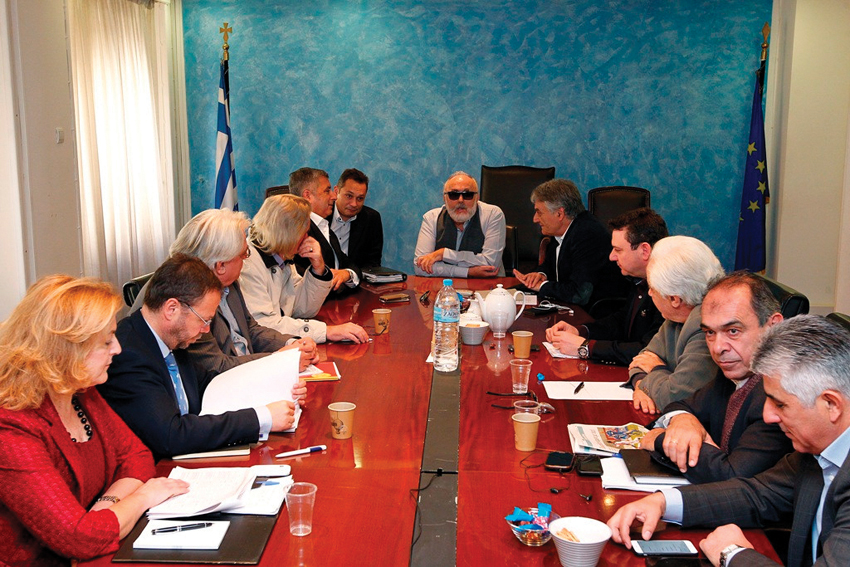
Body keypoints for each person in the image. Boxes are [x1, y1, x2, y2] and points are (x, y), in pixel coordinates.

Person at [607, 315, 850, 567]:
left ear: (831, 404)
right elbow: (757, 494)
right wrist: (662, 502)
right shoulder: (816, 452)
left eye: (780, 405)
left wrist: (731, 554)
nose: (768, 415)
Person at [0, 276, 188, 565]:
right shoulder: (12, 426)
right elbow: (78, 538)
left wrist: (105, 508)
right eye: (106, 341)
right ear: (66, 349)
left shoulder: (79, 391)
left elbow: (137, 456)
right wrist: (143, 497)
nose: (118, 349)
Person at [99, 254, 306, 460]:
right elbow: (171, 434)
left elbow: (212, 382)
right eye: (204, 320)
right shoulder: (128, 354)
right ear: (172, 309)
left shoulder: (172, 337)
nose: (206, 330)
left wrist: (279, 389)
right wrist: (261, 418)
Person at [639, 272, 793, 483]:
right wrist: (683, 420)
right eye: (710, 333)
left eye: (733, 331)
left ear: (773, 326)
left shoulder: (781, 394)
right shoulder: (736, 370)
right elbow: (682, 405)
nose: (718, 348)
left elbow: (731, 476)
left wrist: (660, 439)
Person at [164, 208, 319, 375]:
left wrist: (291, 344)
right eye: (244, 254)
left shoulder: (230, 283)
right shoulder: (189, 300)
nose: (246, 261)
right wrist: (278, 360)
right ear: (220, 266)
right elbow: (216, 367)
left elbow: (251, 329)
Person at [239, 194, 369, 344]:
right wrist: (327, 331)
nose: (307, 237)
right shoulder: (247, 263)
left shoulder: (280, 254)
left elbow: (301, 308)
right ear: (288, 233)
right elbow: (265, 327)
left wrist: (318, 270)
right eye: (304, 232)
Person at [545, 207, 667, 364]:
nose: (611, 257)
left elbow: (648, 351)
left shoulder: (668, 291)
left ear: (644, 250)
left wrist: (585, 347)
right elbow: (622, 321)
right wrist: (581, 331)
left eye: (618, 250)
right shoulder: (639, 279)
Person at [628, 235, 723, 414]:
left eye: (652, 288)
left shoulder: (708, 326)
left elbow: (674, 396)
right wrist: (641, 383)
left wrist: (655, 370)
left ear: (674, 299)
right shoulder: (676, 316)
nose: (649, 293)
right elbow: (642, 359)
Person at [513, 178, 625, 306]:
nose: (535, 219)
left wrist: (542, 286)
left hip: (595, 313)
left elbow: (579, 294)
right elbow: (550, 265)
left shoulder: (588, 235)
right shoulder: (562, 230)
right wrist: (540, 274)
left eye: (539, 212)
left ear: (559, 214)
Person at [413, 171, 506, 278]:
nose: (461, 200)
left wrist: (444, 254)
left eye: (468, 195)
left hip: (489, 286)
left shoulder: (492, 215)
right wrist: (467, 272)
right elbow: (420, 267)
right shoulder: (431, 218)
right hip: (444, 286)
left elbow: (491, 264)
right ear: (444, 198)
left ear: (477, 197)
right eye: (454, 195)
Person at [289, 167, 362, 292]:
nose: (334, 196)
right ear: (308, 195)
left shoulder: (324, 226)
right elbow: (305, 282)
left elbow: (349, 264)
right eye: (327, 191)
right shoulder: (296, 231)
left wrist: (346, 274)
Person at [329, 168, 383, 269]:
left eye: (360, 198)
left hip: (354, 277)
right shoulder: (321, 214)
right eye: (349, 196)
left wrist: (351, 275)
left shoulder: (371, 219)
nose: (354, 204)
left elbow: (372, 263)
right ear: (336, 191)